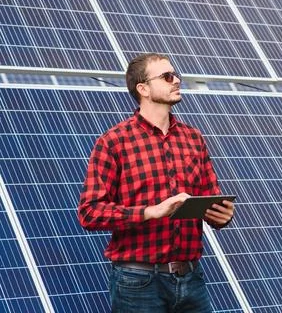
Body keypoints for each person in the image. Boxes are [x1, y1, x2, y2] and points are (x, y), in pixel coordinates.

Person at [78, 53, 235, 313]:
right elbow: (89, 212)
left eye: (176, 75)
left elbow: (211, 197)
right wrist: (151, 212)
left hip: (191, 278)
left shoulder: (193, 138)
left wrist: (223, 214)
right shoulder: (114, 142)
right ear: (143, 89)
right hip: (137, 283)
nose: (176, 81)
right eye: (167, 76)